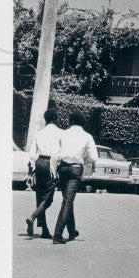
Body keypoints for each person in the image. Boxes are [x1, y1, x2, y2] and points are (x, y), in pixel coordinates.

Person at [50, 109, 99, 246]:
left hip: (62, 168)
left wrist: (54, 171)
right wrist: (83, 159)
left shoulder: (62, 134)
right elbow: (94, 157)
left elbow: (55, 155)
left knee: (67, 199)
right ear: (82, 123)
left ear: (70, 121)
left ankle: (72, 231)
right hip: (76, 169)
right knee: (68, 202)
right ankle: (57, 235)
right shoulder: (87, 136)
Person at [26, 103, 62, 239]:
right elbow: (60, 153)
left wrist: (30, 171)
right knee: (48, 198)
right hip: (50, 164)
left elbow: (31, 154)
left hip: (39, 162)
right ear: (55, 118)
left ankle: (44, 230)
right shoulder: (60, 133)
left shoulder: (38, 133)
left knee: (40, 196)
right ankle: (33, 216)